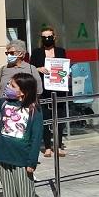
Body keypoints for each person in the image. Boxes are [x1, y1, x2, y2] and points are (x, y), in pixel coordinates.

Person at [30, 26, 68, 157]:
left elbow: (65, 68)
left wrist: (66, 74)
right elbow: (30, 69)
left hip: (59, 90)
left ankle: (58, 145)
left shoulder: (61, 51)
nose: (47, 39)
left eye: (49, 36)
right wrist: (38, 69)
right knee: (45, 119)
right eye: (44, 37)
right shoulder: (36, 53)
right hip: (43, 90)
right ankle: (47, 146)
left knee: (60, 119)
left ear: (54, 37)